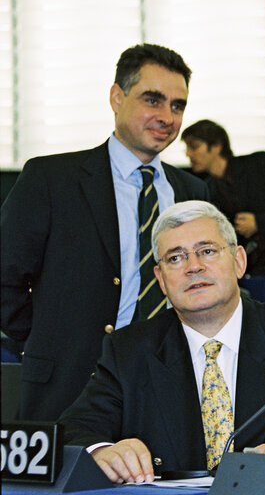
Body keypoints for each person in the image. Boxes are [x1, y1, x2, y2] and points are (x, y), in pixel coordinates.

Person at [59, 200, 265, 483]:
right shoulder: (130, 349)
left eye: (207, 251)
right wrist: (103, 451)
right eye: (175, 258)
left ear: (239, 261)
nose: (193, 267)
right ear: (160, 280)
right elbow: (73, 430)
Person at [0, 44, 209, 422]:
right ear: (117, 97)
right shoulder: (51, 180)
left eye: (177, 106)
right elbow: (5, 275)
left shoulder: (193, 191)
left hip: (168, 391)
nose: (167, 117)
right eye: (153, 100)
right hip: (67, 387)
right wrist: (45, 340)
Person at [181, 119, 265, 276]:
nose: (188, 154)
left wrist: (259, 222)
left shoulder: (259, 163)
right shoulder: (208, 188)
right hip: (257, 266)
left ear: (216, 146)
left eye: (194, 147)